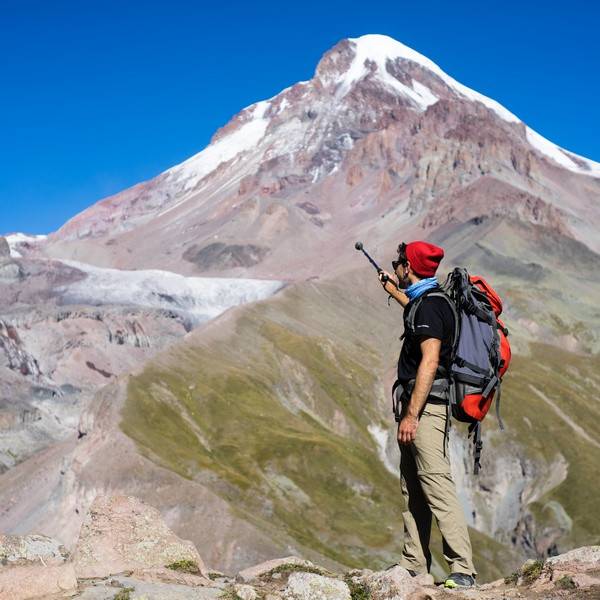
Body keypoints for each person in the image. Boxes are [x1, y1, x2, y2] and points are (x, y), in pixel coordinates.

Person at [378, 241, 476, 588]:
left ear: (410, 266)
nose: (396, 265)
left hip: (426, 411)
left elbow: (430, 361)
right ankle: (413, 564)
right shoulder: (426, 301)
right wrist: (392, 287)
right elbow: (415, 311)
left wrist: (412, 415)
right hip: (419, 407)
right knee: (414, 487)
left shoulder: (431, 307)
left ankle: (463, 569)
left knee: (436, 483)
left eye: (399, 262)